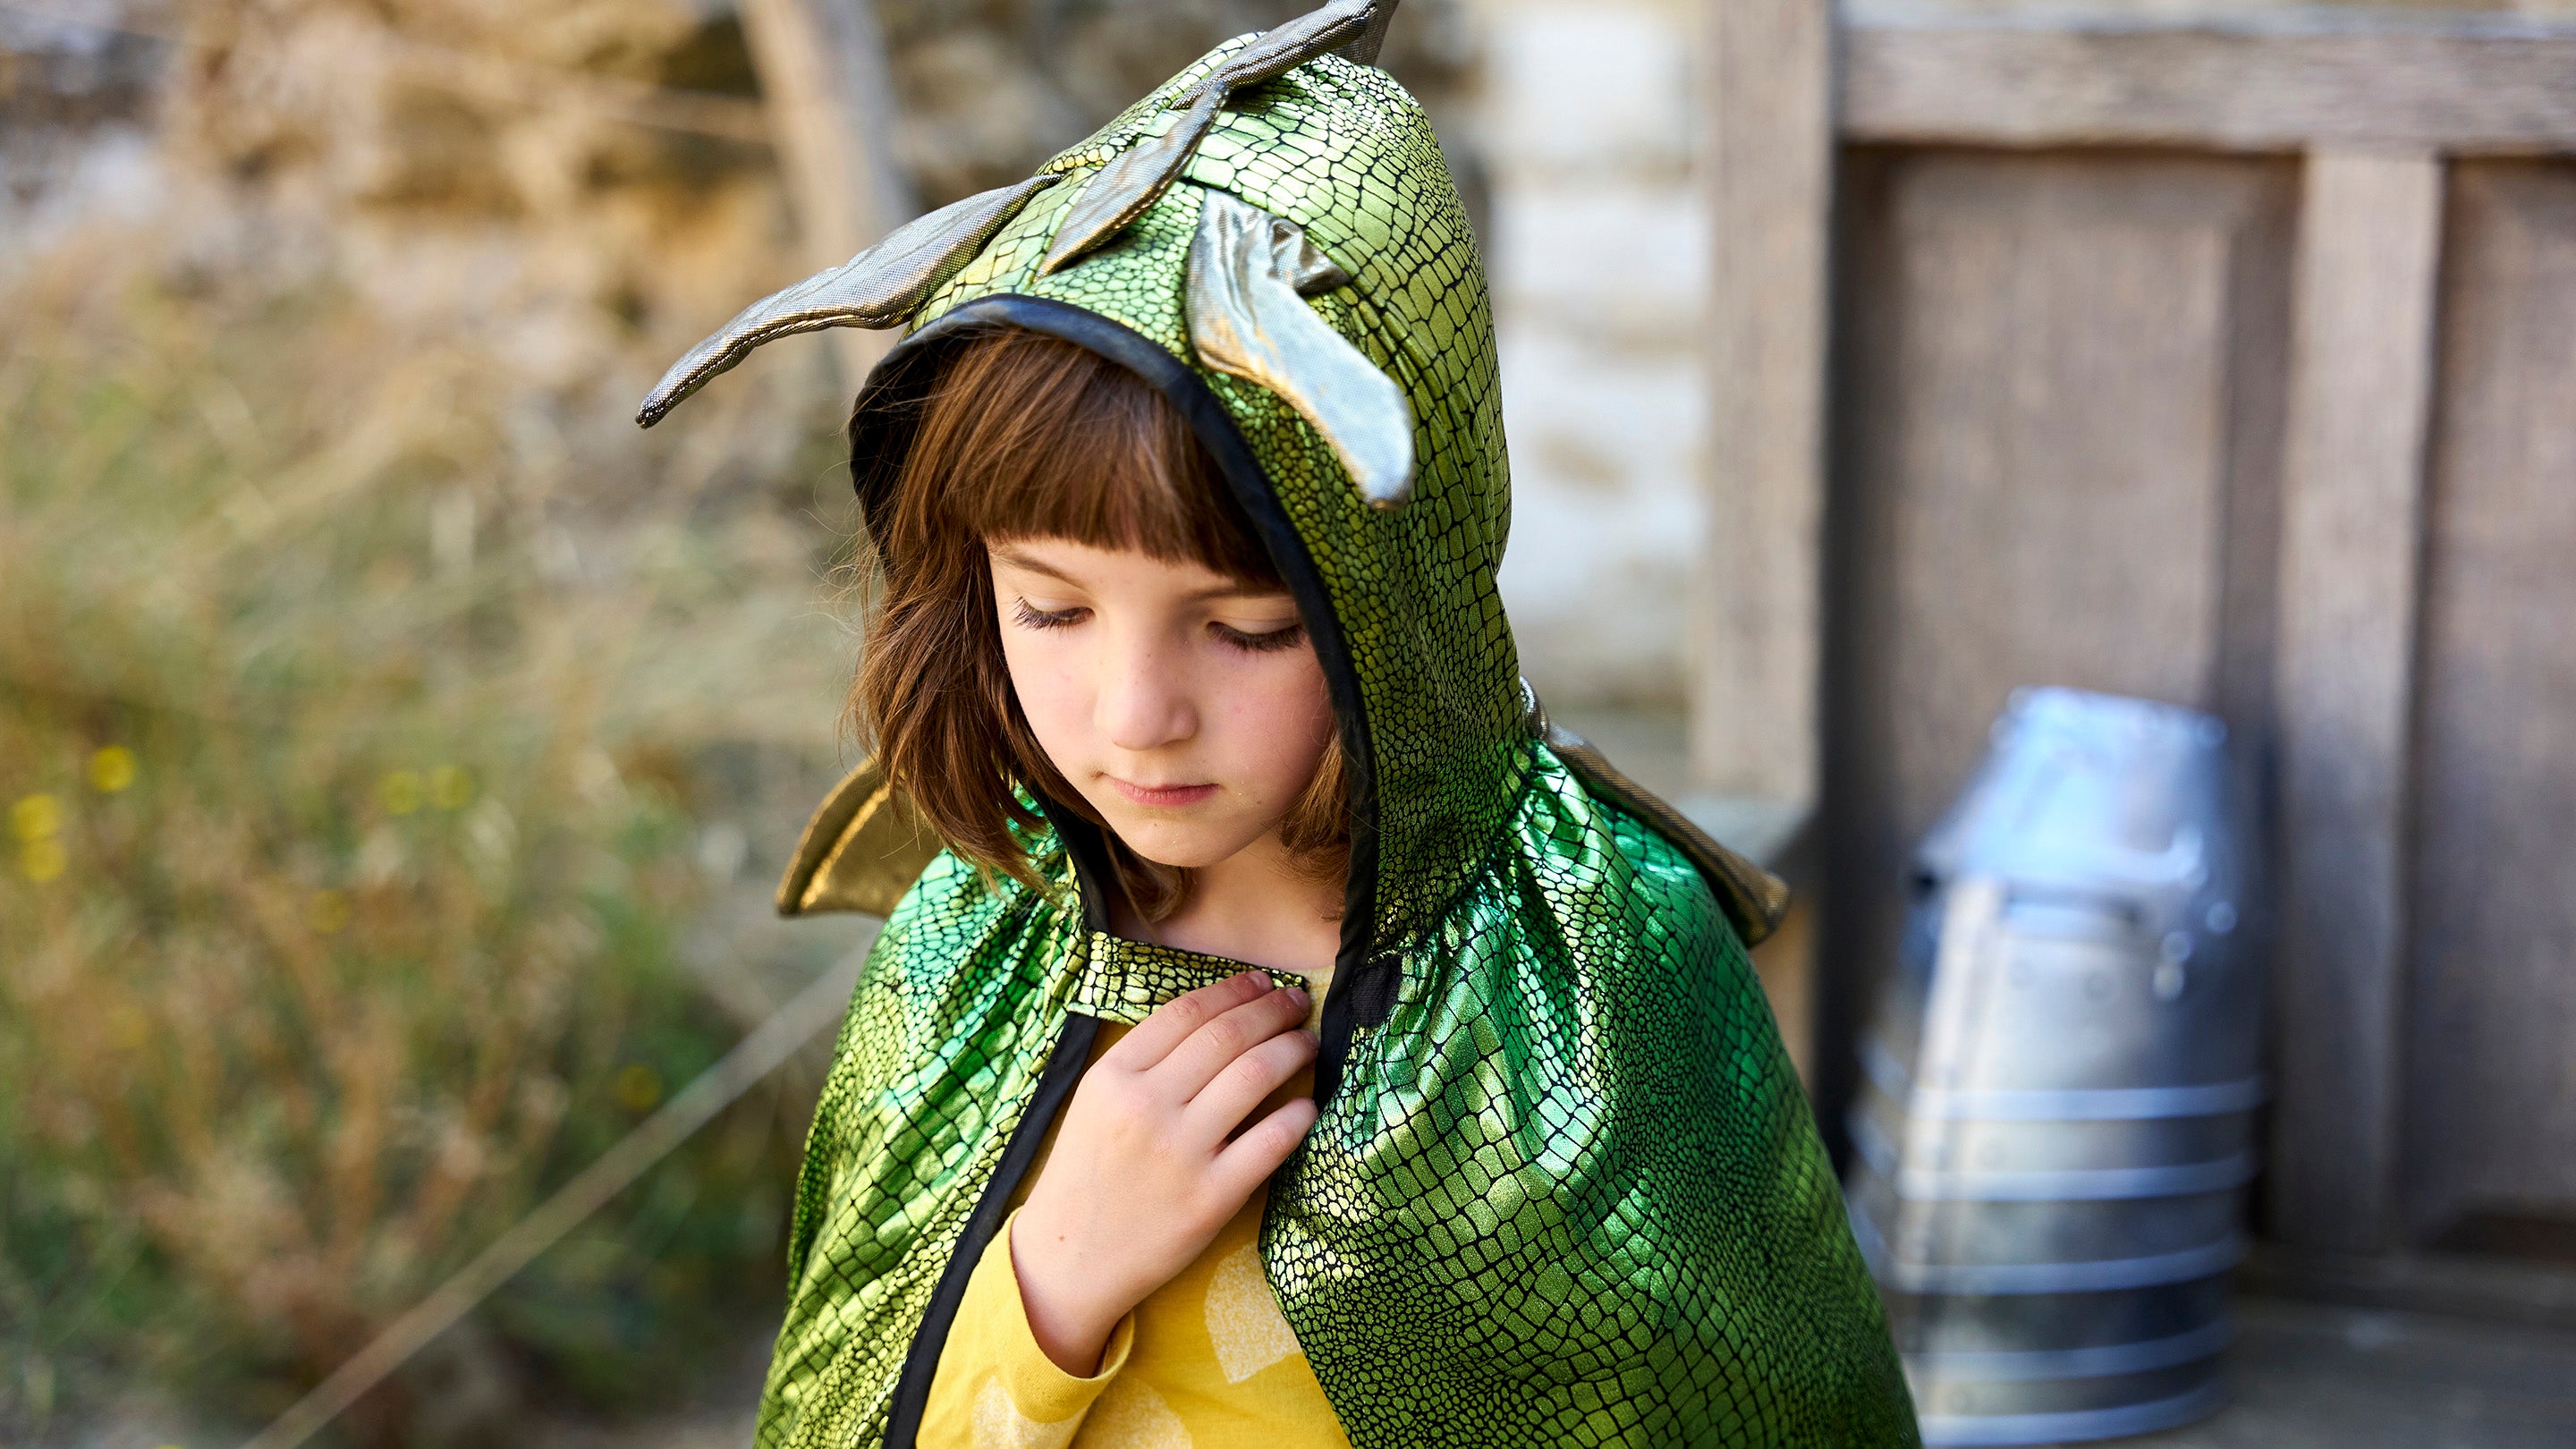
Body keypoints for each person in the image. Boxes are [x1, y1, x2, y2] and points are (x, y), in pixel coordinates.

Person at [636, 4, 1919, 1445]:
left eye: (1244, 627)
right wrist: (1055, 1276)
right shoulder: (974, 940)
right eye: (1052, 611)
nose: (1137, 719)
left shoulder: (1589, 966)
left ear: (1392, 606)